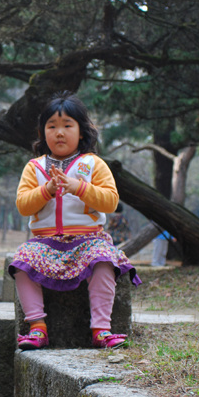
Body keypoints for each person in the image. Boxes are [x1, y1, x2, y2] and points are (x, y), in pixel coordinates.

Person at [8, 93, 141, 350]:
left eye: (68, 125)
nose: (60, 133)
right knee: (22, 262)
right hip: (44, 242)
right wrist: (47, 189)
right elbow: (24, 205)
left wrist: (78, 187)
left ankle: (101, 330)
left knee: (104, 260)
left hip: (88, 240)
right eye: (52, 126)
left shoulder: (94, 164)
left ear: (81, 131)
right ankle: (37, 328)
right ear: (42, 132)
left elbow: (110, 202)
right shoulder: (34, 168)